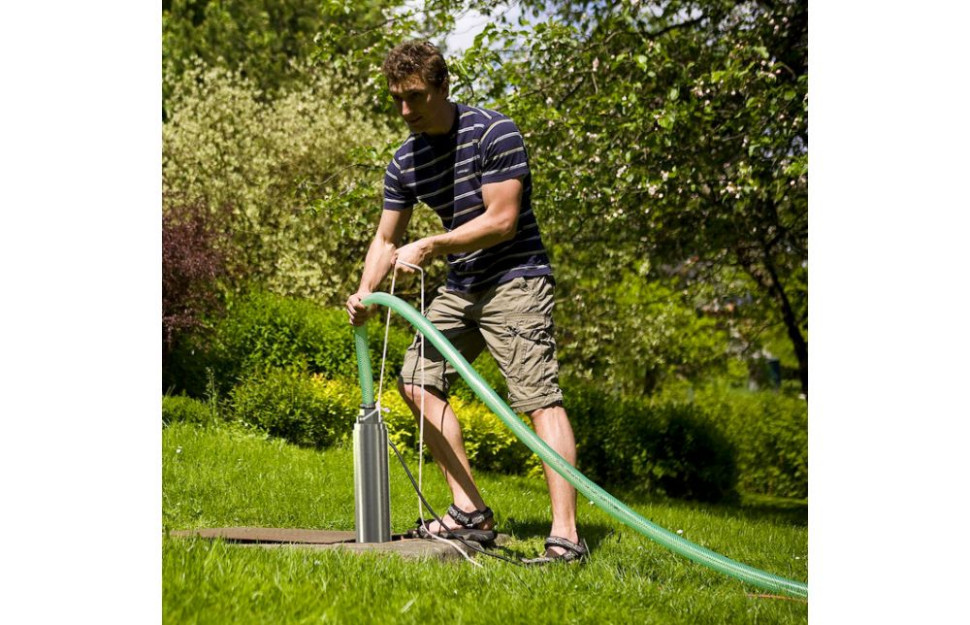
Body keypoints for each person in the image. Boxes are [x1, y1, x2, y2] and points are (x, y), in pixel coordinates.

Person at [345, 40, 586, 564]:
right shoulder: (405, 161)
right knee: (416, 380)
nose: (405, 111)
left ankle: (566, 535)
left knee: (537, 398)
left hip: (514, 278)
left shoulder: (493, 132)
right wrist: (367, 295)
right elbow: (386, 240)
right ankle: (470, 510)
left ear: (442, 87)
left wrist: (433, 244)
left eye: (415, 97)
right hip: (462, 286)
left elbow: (502, 222)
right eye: (396, 100)